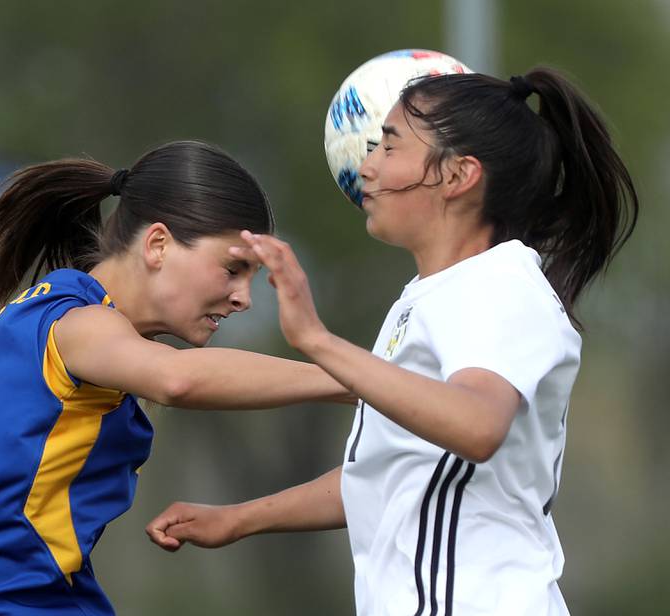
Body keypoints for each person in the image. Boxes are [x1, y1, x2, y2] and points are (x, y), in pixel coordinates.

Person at [147, 69, 639, 615]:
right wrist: (239, 519)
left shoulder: (501, 284)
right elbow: (385, 473)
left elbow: (478, 426)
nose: (367, 166)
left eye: (389, 143)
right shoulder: (431, 296)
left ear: (458, 176)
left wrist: (316, 339)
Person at [0, 140, 353, 615]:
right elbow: (177, 380)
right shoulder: (74, 322)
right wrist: (359, 380)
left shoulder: (50, 314)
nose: (244, 298)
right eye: (232, 268)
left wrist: (238, 518)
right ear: (157, 244)